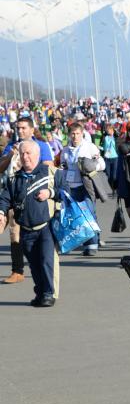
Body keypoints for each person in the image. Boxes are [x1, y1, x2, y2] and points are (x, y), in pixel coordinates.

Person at [0, 141, 69, 307]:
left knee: (47, 261)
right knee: (34, 264)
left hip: (46, 227)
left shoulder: (51, 173)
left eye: (28, 153)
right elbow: (5, 198)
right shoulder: (15, 178)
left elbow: (66, 191)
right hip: (25, 229)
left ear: (37, 155)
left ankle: (48, 294)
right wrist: (1, 212)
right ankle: (40, 292)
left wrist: (51, 193)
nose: (25, 157)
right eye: (22, 154)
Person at [0, 116, 53, 284]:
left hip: (28, 195)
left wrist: (26, 162)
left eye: (23, 128)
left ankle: (18, 270)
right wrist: (11, 155)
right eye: (18, 128)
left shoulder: (41, 146)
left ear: (31, 129)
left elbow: (49, 167)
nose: (20, 131)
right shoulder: (11, 145)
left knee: (15, 233)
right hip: (8, 191)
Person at [60, 122, 103, 256]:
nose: (75, 136)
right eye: (72, 133)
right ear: (69, 135)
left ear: (82, 133)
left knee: (88, 214)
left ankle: (92, 245)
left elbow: (102, 164)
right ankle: (89, 239)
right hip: (71, 187)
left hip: (86, 186)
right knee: (76, 215)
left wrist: (90, 166)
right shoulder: (65, 151)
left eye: (78, 133)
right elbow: (63, 167)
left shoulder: (89, 147)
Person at [102, 125, 118, 190]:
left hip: (115, 157)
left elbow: (118, 146)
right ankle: (111, 187)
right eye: (108, 130)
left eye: (110, 130)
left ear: (113, 130)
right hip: (107, 158)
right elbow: (104, 148)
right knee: (108, 175)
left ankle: (114, 188)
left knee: (114, 176)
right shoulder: (105, 138)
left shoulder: (116, 138)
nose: (109, 131)